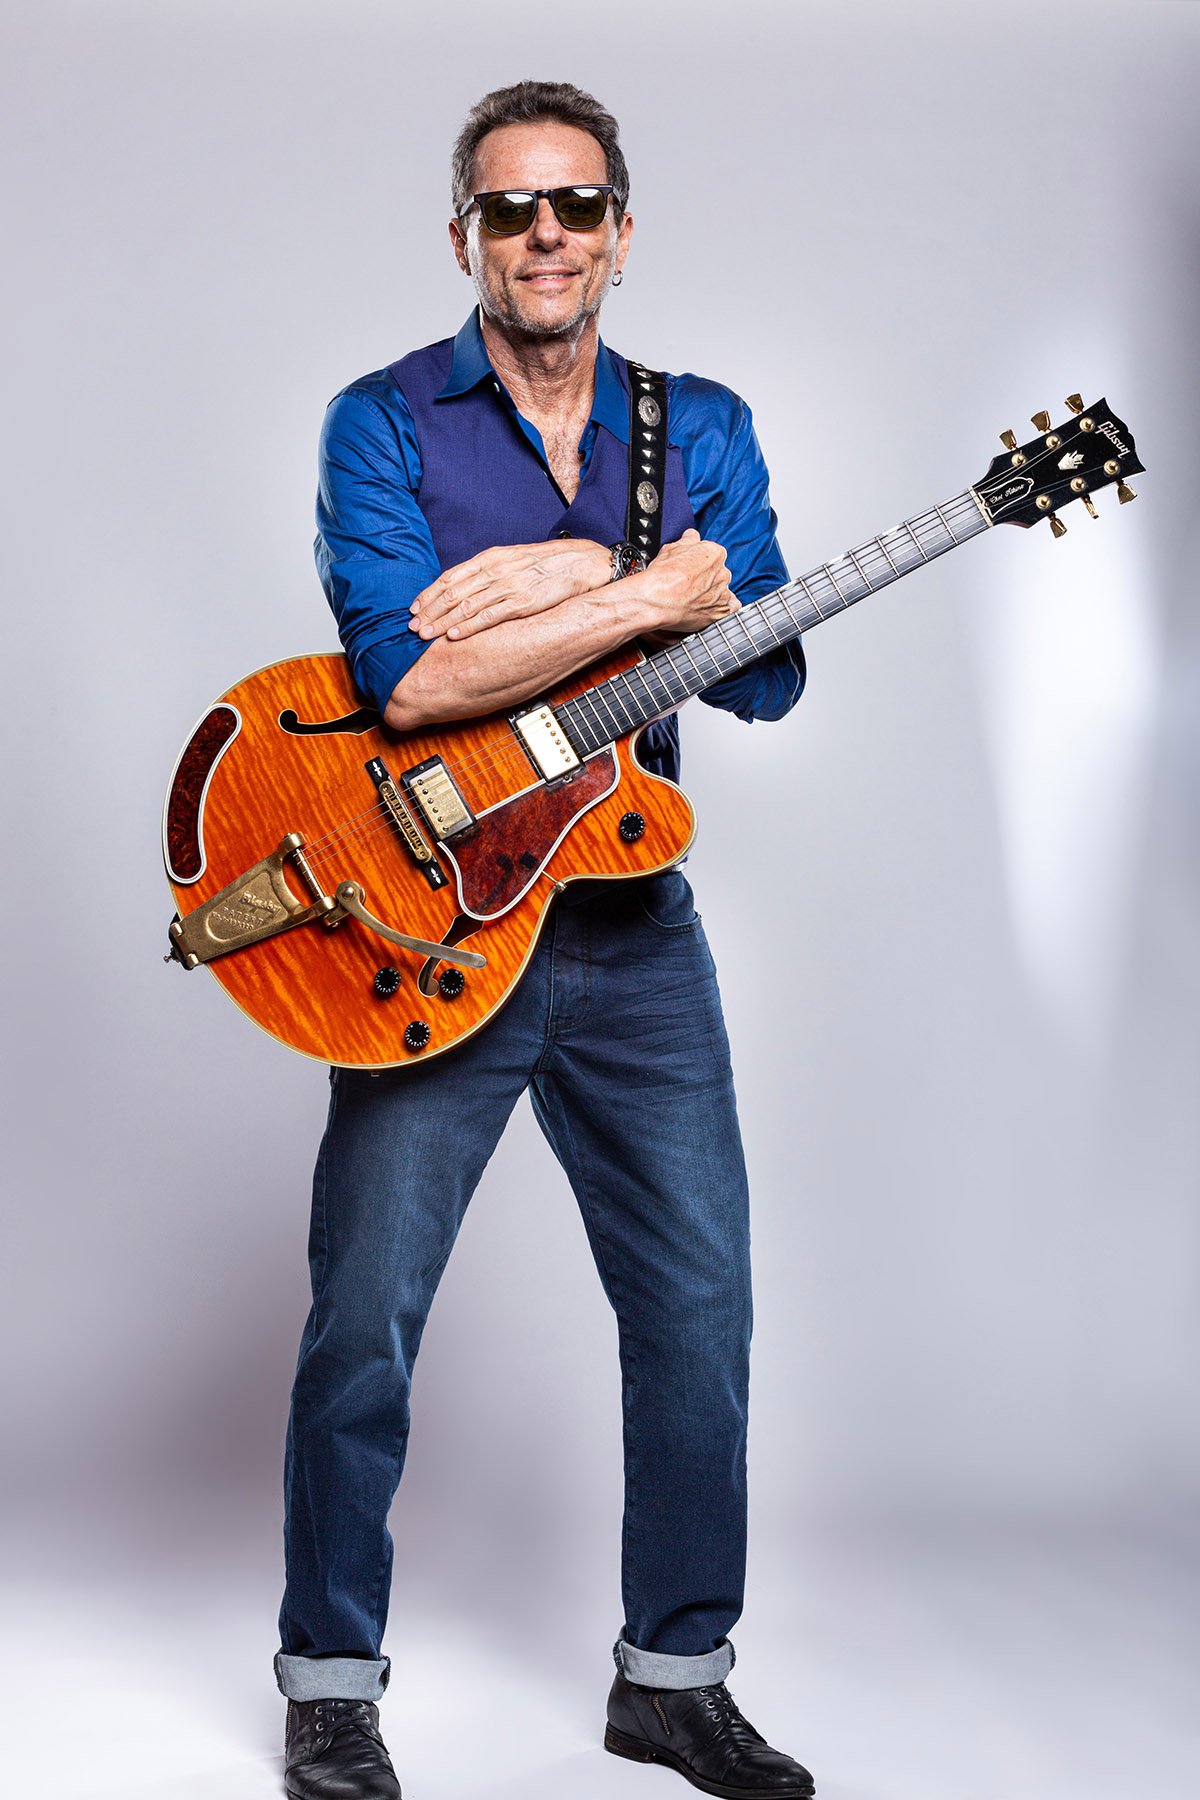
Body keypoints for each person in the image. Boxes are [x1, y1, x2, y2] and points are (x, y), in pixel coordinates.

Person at [276, 81, 815, 1800]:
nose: (546, 235)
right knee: (365, 1316)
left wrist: (564, 584)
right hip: (440, 930)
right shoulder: (380, 421)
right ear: (465, 238)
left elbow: (770, 670)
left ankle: (673, 1680)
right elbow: (409, 680)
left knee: (700, 1309)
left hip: (635, 931)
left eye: (576, 205)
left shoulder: (702, 423)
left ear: (622, 232)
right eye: (510, 209)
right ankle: (329, 1685)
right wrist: (637, 586)